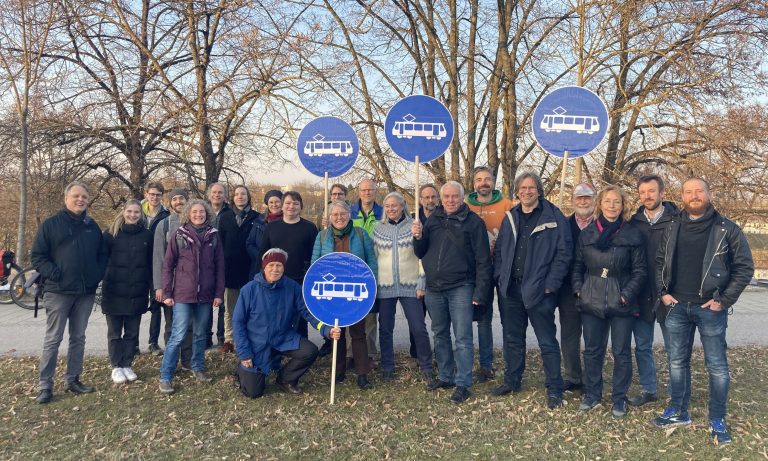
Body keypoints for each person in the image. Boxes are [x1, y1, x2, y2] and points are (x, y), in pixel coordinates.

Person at [652, 178, 754, 445]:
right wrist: (663, 293)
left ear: (709, 194)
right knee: (676, 362)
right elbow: (660, 261)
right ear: (682, 196)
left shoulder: (727, 229)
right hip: (676, 307)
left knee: (717, 366)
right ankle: (678, 411)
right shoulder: (672, 225)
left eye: (699, 191)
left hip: (711, 308)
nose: (694, 195)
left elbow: (745, 268)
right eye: (689, 192)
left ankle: (717, 418)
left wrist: (724, 300)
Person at [490, 172, 571, 409]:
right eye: (523, 188)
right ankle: (512, 381)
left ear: (539, 190)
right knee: (513, 339)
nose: (527, 191)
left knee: (547, 342)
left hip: (540, 291)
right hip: (511, 290)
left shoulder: (554, 217)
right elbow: (501, 251)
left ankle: (554, 387)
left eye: (531, 187)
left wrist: (550, 285)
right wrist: (499, 277)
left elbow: (563, 254)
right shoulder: (511, 217)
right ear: (517, 191)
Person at [412, 181, 492, 404]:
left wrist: (480, 292)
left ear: (462, 197)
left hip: (461, 287)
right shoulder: (432, 220)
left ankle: (463, 383)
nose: (450, 200)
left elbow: (483, 260)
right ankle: (446, 375)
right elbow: (420, 251)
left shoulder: (474, 222)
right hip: (434, 288)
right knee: (440, 334)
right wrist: (417, 237)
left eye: (454, 196)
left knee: (463, 338)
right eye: (446, 196)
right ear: (441, 198)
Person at [572, 185, 646, 418]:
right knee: (593, 350)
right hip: (591, 298)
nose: (612, 206)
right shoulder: (588, 233)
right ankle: (593, 394)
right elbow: (577, 265)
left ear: (623, 206)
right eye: (608, 201)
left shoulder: (632, 234)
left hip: (621, 300)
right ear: (600, 204)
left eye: (617, 202)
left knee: (621, 351)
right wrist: (578, 290)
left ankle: (619, 398)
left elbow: (640, 271)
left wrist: (626, 294)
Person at [32, 182, 108, 404]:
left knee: (78, 337)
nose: (80, 200)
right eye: (76, 196)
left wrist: (97, 275)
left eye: (84, 197)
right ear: (66, 199)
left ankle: (73, 379)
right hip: (58, 292)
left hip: (84, 293)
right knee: (53, 338)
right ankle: (45, 385)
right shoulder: (51, 225)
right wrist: (54, 273)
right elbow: (38, 256)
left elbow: (102, 255)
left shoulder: (91, 226)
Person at [232, 248, 341, 398]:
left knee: (309, 351)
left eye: (279, 265)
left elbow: (307, 312)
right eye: (271, 265)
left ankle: (285, 379)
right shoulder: (249, 290)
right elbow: (238, 323)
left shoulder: (293, 288)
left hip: (283, 338)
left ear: (284, 268)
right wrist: (244, 353)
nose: (275, 269)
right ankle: (241, 370)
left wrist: (326, 329)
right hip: (257, 342)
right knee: (253, 392)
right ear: (264, 267)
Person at [159, 199, 225, 394]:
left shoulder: (213, 236)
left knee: (200, 334)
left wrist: (218, 293)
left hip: (205, 295)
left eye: (202, 212)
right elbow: (168, 265)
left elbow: (220, 267)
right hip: (183, 294)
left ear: (207, 214)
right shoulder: (179, 235)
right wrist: (167, 292)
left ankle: (198, 367)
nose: (198, 215)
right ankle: (166, 375)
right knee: (178, 335)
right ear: (188, 214)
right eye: (195, 212)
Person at [312, 200, 378, 390]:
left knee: (358, 333)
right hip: (332, 292)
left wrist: (371, 287)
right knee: (337, 333)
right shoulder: (322, 236)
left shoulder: (360, 233)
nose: (339, 217)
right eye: (335, 214)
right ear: (329, 217)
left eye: (343, 214)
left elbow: (371, 261)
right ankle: (338, 371)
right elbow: (315, 264)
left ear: (349, 214)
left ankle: (362, 374)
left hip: (356, 291)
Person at [626, 175, 678, 407]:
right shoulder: (633, 223)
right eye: (643, 192)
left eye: (652, 191)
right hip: (641, 295)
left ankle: (677, 391)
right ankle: (649, 389)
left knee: (673, 348)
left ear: (662, 193)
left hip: (669, 294)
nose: (647, 196)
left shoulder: (676, 221)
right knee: (643, 345)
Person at [372, 192, 433, 382]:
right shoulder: (377, 229)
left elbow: (422, 256)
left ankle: (426, 365)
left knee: (418, 327)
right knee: (385, 329)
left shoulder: (414, 226)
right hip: (385, 286)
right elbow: (373, 259)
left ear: (402, 206)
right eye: (387, 206)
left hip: (411, 285)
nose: (391, 209)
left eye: (395, 205)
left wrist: (422, 281)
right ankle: (388, 366)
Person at [466, 166, 514, 382]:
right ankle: (486, 365)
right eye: (479, 179)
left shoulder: (506, 205)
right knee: (483, 319)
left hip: (503, 269)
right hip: (478, 271)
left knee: (508, 318)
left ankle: (512, 362)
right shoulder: (466, 205)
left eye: (487, 179)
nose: (483, 183)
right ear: (473, 183)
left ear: (493, 182)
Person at [101, 199, 153, 384]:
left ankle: (127, 364)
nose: (132, 215)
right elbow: (101, 260)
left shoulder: (147, 235)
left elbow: (150, 264)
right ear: (123, 212)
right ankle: (116, 366)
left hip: (137, 291)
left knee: (132, 332)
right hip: (114, 290)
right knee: (114, 332)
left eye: (136, 212)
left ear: (141, 214)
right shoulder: (110, 234)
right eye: (129, 211)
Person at [259, 191, 318, 337]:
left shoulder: (309, 228)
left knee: (300, 318)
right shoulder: (271, 227)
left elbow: (314, 255)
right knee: (277, 316)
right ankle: (277, 350)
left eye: (295, 203)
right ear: (282, 206)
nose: (291, 206)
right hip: (276, 279)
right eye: (288, 203)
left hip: (300, 280)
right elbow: (263, 254)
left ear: (301, 206)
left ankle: (301, 349)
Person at [558, 183, 597, 393]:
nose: (583, 202)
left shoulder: (602, 225)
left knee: (592, 336)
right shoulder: (563, 224)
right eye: (579, 198)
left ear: (594, 200)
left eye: (587, 198)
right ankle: (573, 377)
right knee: (569, 335)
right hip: (568, 290)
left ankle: (592, 378)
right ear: (572, 200)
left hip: (595, 289)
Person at [153, 188, 193, 370]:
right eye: (175, 199)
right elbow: (158, 258)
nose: (178, 202)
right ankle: (171, 361)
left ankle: (187, 359)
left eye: (181, 198)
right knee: (171, 325)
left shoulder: (196, 221)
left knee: (189, 324)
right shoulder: (165, 224)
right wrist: (159, 286)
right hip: (171, 284)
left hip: (191, 284)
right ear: (170, 203)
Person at [217, 185, 260, 353]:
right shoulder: (225, 217)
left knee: (250, 307)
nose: (240, 197)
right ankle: (229, 339)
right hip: (230, 269)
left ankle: (249, 337)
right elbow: (220, 244)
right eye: (237, 194)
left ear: (248, 197)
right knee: (230, 308)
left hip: (250, 269)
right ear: (232, 198)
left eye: (243, 194)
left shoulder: (256, 217)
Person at [350, 179, 383, 361]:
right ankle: (349, 354)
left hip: (373, 268)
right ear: (358, 192)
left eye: (370, 189)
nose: (367, 193)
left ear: (375, 191)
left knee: (370, 315)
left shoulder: (383, 213)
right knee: (350, 312)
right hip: (352, 269)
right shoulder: (350, 212)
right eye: (364, 190)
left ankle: (370, 354)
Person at [142, 182, 170, 356]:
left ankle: (153, 342)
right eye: (152, 194)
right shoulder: (137, 213)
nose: (154, 197)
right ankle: (133, 343)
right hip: (139, 263)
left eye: (158, 194)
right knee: (137, 305)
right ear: (146, 194)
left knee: (156, 305)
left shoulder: (165, 215)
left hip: (157, 263)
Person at [206, 182, 231, 348]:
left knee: (222, 302)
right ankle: (206, 336)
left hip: (224, 261)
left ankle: (222, 336)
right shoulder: (202, 210)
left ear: (225, 195)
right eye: (214, 192)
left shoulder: (229, 212)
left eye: (220, 192)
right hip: (206, 263)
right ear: (209, 195)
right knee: (206, 303)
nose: (217, 195)